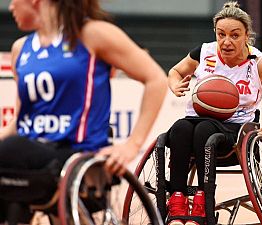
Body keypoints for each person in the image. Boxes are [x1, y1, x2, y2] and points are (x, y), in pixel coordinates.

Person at [0, 0, 167, 223]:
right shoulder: (21, 49)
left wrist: (132, 144)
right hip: (31, 154)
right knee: (12, 150)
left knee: (12, 150)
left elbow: (156, 79)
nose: (10, 7)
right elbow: (20, 122)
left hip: (77, 155)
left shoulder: (92, 34)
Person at [166, 2, 262, 225]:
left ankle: (202, 199)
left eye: (234, 35)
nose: (226, 41)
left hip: (236, 128)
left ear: (247, 35)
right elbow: (176, 71)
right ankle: (177, 197)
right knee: (179, 128)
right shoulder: (205, 52)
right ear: (216, 34)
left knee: (204, 131)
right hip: (197, 117)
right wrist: (174, 84)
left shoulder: (259, 64)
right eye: (221, 34)